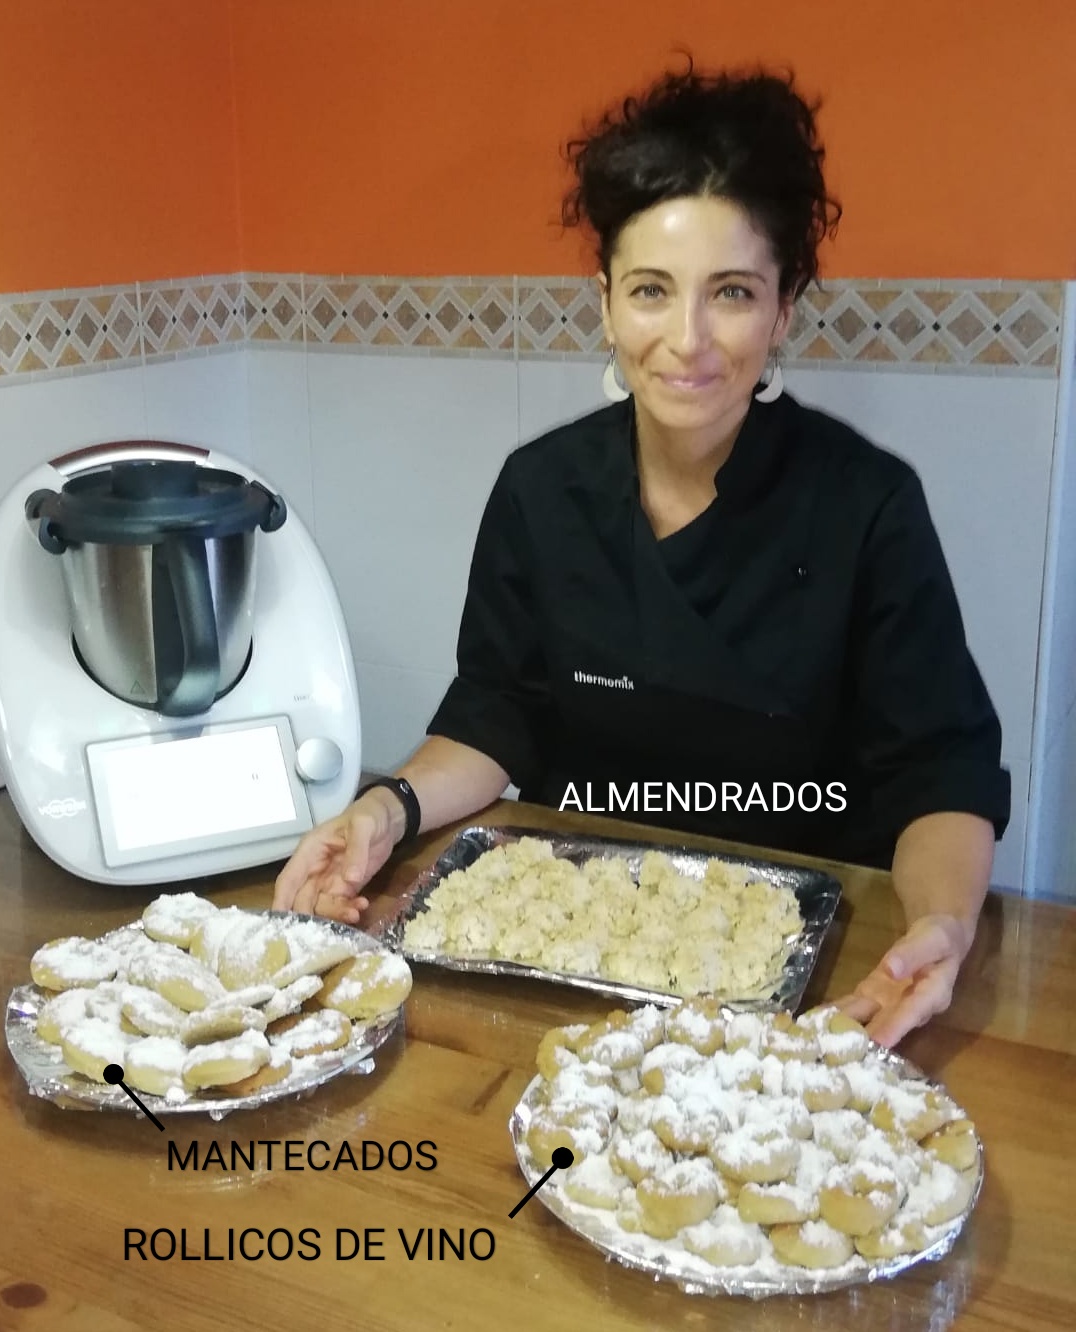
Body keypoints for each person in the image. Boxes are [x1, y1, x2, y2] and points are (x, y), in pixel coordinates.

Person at [273, 62, 1010, 1048]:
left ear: (784, 307)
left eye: (733, 293)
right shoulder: (543, 490)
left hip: (816, 982)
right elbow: (497, 714)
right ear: (607, 301)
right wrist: (384, 811)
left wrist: (942, 926)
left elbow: (941, 774)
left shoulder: (864, 505)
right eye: (652, 291)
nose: (687, 339)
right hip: (563, 968)